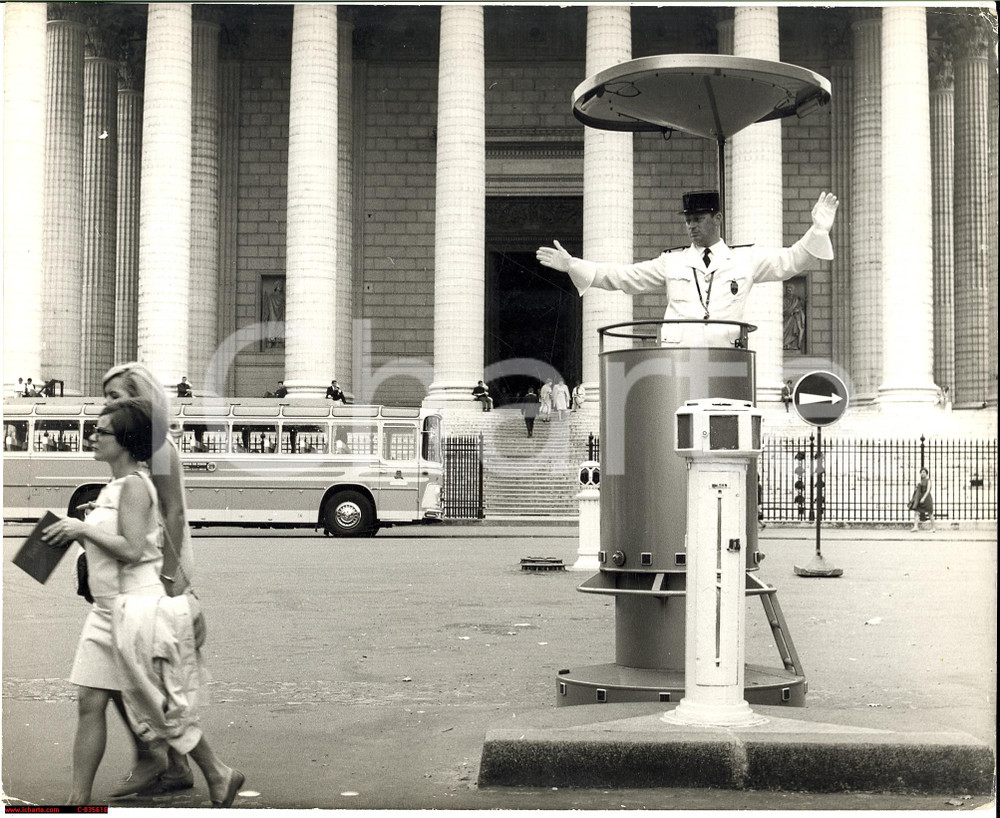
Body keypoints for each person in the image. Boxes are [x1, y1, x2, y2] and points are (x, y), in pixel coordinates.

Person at [40, 398, 244, 807]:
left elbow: (133, 550)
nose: (93, 437)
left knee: (158, 708)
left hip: (137, 610)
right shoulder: (116, 487)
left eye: (102, 432)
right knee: (90, 702)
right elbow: (121, 542)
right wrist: (80, 529)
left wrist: (82, 527)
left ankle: (219, 771)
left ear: (126, 441)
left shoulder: (134, 484)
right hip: (107, 611)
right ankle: (78, 801)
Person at [536, 190, 839, 348]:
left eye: (698, 219)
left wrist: (818, 230)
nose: (691, 226)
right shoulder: (673, 261)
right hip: (677, 362)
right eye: (688, 220)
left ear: (717, 218)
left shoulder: (745, 260)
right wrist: (572, 265)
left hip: (725, 361)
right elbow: (625, 278)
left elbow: (791, 261)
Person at [98, 363, 199, 795]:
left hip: (157, 568)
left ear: (139, 398)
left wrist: (169, 576)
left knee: (142, 666)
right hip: (141, 568)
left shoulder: (158, 444)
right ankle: (175, 765)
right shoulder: (139, 441)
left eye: (116, 397)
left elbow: (172, 512)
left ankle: (166, 760)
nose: (107, 405)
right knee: (150, 668)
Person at [908, 467, 936, 532]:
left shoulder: (928, 480)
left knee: (930, 513)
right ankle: (916, 527)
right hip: (921, 497)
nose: (922, 473)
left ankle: (933, 528)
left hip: (927, 498)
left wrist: (923, 498)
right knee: (916, 511)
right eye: (921, 472)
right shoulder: (920, 481)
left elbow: (928, 490)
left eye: (924, 472)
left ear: (926, 473)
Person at [783, 284, 806, 351]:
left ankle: (793, 345)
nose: (789, 291)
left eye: (791, 289)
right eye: (788, 289)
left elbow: (801, 308)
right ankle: (786, 345)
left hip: (795, 319)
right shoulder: (783, 299)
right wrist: (790, 311)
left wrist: (798, 310)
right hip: (786, 319)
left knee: (796, 331)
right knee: (785, 331)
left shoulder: (796, 299)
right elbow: (782, 310)